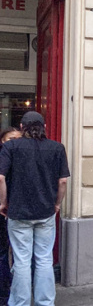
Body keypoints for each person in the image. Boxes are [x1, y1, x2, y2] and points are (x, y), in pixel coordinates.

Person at [0, 112, 70, 306]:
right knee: (44, 259)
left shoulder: (11, 146)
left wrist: (3, 203)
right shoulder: (57, 148)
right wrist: (57, 204)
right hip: (45, 212)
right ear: (44, 126)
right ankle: (45, 302)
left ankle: (19, 303)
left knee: (21, 260)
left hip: (18, 212)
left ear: (22, 127)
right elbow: (62, 181)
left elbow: (0, 177)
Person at [0, 128, 22, 305]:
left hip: (18, 211)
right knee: (2, 252)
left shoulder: (24, 157)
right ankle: (4, 291)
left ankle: (16, 291)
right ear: (2, 141)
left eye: (17, 139)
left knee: (18, 254)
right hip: (3, 210)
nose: (14, 142)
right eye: (10, 139)